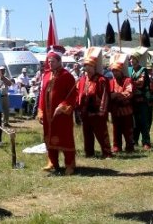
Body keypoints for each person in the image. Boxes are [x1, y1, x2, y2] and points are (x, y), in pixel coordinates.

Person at [37, 46, 77, 175]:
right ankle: (52, 162)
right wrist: (41, 110)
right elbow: (42, 94)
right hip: (48, 115)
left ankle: (70, 164)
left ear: (60, 61)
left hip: (62, 115)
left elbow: (72, 95)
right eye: (49, 61)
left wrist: (64, 106)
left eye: (52, 61)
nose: (50, 63)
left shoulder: (67, 76)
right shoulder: (46, 75)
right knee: (49, 138)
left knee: (65, 139)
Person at [77, 47, 112, 158]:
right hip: (85, 111)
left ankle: (107, 153)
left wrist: (102, 111)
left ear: (94, 67)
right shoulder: (82, 79)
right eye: (86, 66)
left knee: (101, 133)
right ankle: (89, 153)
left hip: (97, 111)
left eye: (90, 66)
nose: (88, 68)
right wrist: (78, 107)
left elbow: (105, 96)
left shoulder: (101, 79)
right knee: (87, 133)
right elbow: (79, 93)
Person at [108, 54, 134, 153]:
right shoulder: (111, 82)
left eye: (116, 71)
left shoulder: (127, 80)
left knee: (128, 130)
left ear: (120, 70)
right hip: (115, 111)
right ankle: (116, 146)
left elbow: (129, 93)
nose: (114, 73)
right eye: (113, 71)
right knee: (116, 130)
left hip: (126, 110)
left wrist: (116, 95)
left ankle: (129, 147)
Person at [129, 51, 151, 150]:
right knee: (134, 122)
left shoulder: (143, 70)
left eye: (133, 59)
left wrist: (129, 82)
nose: (131, 61)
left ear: (137, 60)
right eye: (130, 59)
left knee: (143, 121)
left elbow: (140, 83)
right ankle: (134, 141)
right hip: (132, 100)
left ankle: (146, 142)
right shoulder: (129, 70)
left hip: (142, 100)